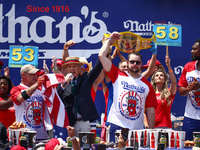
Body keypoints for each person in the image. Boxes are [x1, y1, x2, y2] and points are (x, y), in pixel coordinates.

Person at [98, 31, 157, 136]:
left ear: (141, 64)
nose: (135, 64)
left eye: (138, 62)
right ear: (127, 63)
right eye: (132, 62)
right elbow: (101, 56)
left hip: (137, 130)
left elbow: (151, 110)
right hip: (116, 125)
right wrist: (109, 40)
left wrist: (151, 131)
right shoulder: (117, 75)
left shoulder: (147, 85)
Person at [57, 56, 102, 136]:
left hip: (84, 122)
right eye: (69, 67)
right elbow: (56, 95)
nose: (72, 69)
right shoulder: (62, 82)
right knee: (70, 146)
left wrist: (105, 54)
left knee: (86, 146)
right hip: (69, 123)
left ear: (79, 68)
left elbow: (97, 68)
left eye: (74, 66)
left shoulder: (86, 78)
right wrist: (64, 84)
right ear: (66, 70)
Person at [10, 64, 56, 140]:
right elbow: (20, 98)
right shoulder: (16, 89)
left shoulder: (41, 89)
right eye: (32, 74)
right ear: (23, 75)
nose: (35, 76)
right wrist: (37, 85)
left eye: (36, 74)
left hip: (42, 135)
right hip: (24, 135)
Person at [144, 56, 177, 129]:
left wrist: (169, 67)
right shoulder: (149, 93)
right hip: (152, 127)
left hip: (166, 127)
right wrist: (147, 125)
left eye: (161, 75)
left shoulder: (168, 93)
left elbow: (174, 83)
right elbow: (144, 112)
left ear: (164, 79)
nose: (159, 77)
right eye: (157, 75)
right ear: (154, 79)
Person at [178, 39, 200, 140]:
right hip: (190, 117)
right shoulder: (188, 66)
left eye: (194, 49)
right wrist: (189, 88)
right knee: (188, 146)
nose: (191, 51)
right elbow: (181, 92)